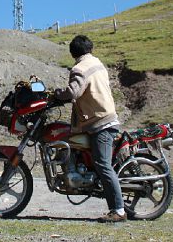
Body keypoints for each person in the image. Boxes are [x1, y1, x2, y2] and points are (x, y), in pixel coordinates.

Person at [54, 35, 127, 223]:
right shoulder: (97, 63)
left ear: (73, 52)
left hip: (101, 122)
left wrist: (56, 94)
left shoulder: (80, 68)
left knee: (102, 164)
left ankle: (119, 211)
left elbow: (73, 92)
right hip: (101, 118)